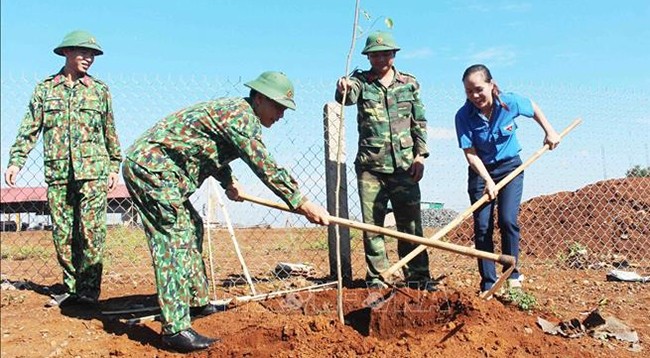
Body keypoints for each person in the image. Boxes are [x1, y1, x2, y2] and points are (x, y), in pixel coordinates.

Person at [122, 71, 330, 353]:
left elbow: (209, 149)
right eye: (278, 106)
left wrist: (228, 181)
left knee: (192, 226)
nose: (281, 115)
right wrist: (302, 203)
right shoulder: (241, 117)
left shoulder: (237, 114)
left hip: (164, 172)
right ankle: (175, 329)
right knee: (173, 238)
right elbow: (264, 164)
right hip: (153, 169)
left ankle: (197, 302)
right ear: (259, 98)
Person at [5, 30, 122, 306]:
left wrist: (115, 164)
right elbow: (30, 127)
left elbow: (110, 131)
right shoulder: (45, 89)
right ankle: (71, 287)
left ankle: (89, 292)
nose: (89, 58)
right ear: (66, 53)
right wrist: (16, 160)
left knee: (92, 232)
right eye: (83, 52)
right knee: (63, 233)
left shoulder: (99, 90)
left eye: (92, 54)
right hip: (59, 175)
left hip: (93, 173)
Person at [334, 31, 433, 290]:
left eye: (385, 53)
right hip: (371, 168)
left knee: (410, 226)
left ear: (394, 54)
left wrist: (420, 156)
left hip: (405, 167)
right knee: (373, 227)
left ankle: (419, 278)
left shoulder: (409, 83)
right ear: (368, 57)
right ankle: (377, 279)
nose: (380, 59)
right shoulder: (360, 81)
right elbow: (347, 96)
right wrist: (342, 86)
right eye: (375, 55)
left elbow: (419, 122)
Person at [454, 64, 561, 295]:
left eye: (479, 89)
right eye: (469, 91)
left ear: (491, 85)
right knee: (482, 227)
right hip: (480, 172)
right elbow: (470, 154)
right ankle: (488, 283)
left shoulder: (508, 102)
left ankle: (512, 274)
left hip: (510, 168)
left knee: (507, 220)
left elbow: (532, 107)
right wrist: (487, 181)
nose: (474, 96)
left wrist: (549, 130)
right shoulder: (463, 116)